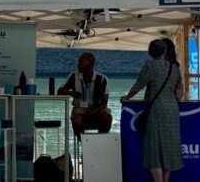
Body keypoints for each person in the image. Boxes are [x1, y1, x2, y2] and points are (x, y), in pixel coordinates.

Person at [121, 39, 184, 182]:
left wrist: (127, 97)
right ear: (165, 51)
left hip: (157, 110)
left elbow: (138, 85)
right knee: (169, 147)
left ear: (150, 52)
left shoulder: (150, 66)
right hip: (172, 110)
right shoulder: (173, 68)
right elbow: (179, 91)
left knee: (154, 148)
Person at [57, 52, 112, 137]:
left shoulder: (102, 79)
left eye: (80, 63)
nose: (78, 65)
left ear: (90, 65)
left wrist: (92, 113)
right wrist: (72, 93)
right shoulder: (74, 76)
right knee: (75, 119)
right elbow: (59, 92)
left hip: (97, 109)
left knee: (107, 117)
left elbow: (104, 104)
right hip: (80, 108)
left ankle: (100, 141)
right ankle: (84, 143)